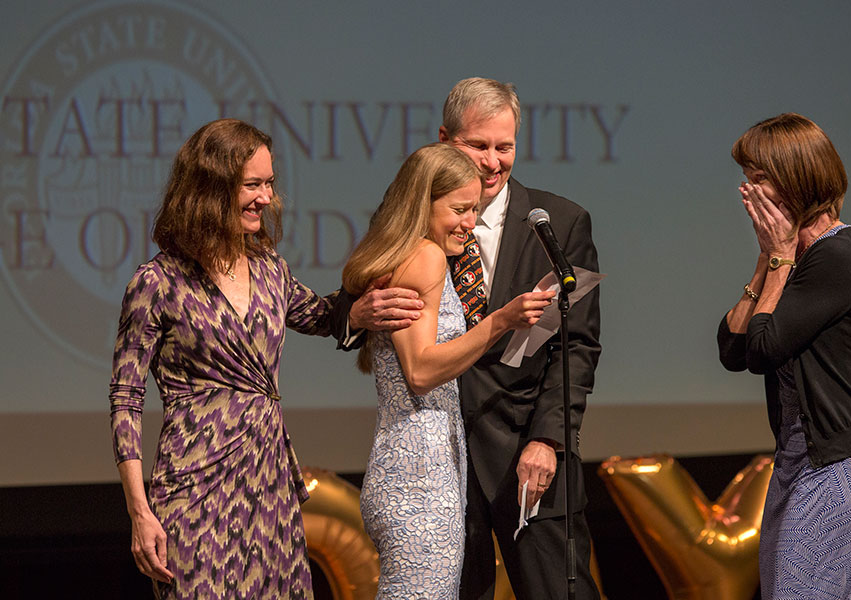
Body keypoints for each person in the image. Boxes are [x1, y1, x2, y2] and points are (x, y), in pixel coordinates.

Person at [348, 77, 602, 600]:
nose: (491, 162)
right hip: (440, 466)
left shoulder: (561, 223)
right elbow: (356, 303)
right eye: (477, 145)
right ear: (445, 139)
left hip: (527, 459)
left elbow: (576, 347)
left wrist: (547, 438)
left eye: (503, 147)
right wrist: (356, 313)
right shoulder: (408, 226)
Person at [109, 119, 345, 599]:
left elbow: (325, 317)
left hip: (270, 488)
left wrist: (383, 282)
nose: (266, 197)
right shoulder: (157, 283)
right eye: (251, 185)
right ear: (211, 189)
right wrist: (140, 509)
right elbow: (126, 397)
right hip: (194, 494)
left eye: (270, 183)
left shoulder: (270, 268)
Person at [342, 142, 554, 599]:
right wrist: (501, 321)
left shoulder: (418, 255)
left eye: (474, 210)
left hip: (422, 464)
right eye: (459, 209)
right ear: (423, 203)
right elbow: (419, 371)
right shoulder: (426, 257)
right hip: (418, 475)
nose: (469, 223)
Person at [717, 113, 851, 600]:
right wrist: (769, 258)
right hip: (796, 462)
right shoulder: (797, 258)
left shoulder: (838, 256)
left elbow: (764, 350)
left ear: (797, 177)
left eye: (760, 177)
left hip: (834, 466)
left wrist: (780, 256)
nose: (748, 191)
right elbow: (733, 348)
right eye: (747, 177)